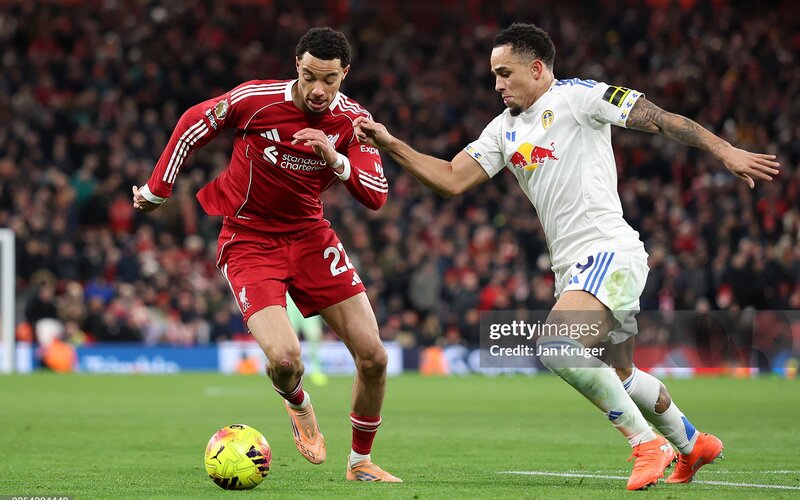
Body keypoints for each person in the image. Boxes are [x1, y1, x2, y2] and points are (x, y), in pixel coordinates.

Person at [355, 23, 779, 490]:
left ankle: (645, 443)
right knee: (621, 374)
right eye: (494, 75)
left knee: (557, 345)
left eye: (504, 73)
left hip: (607, 250)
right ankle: (692, 443)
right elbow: (452, 179)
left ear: (537, 69)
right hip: (574, 268)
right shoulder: (503, 128)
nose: (497, 85)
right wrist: (391, 145)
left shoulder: (580, 98)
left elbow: (657, 118)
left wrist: (724, 150)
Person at [133, 27, 400, 482]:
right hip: (249, 240)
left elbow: (376, 195)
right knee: (286, 360)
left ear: (345, 74)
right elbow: (193, 123)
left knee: (374, 356)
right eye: (310, 76)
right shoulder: (255, 100)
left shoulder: (354, 121)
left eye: (330, 79)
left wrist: (335, 158)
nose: (318, 90)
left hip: (311, 238)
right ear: (297, 66)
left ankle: (360, 463)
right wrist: (158, 189)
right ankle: (298, 403)